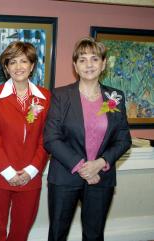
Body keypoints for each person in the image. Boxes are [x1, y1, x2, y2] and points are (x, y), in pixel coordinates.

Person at [44, 37, 131, 241]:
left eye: (94, 59)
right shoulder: (60, 95)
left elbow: (123, 139)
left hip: (101, 178)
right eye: (82, 59)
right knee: (57, 234)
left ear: (103, 64)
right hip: (65, 176)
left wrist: (99, 163)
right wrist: (83, 167)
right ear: (75, 65)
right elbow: (51, 138)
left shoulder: (115, 97)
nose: (88, 64)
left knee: (94, 235)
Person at [0, 41, 51, 241]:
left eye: (24, 61)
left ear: (32, 66)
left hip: (30, 177)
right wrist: (7, 171)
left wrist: (31, 171)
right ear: (6, 67)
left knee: (20, 232)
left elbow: (46, 138)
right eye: (13, 62)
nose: (18, 67)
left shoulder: (45, 97)